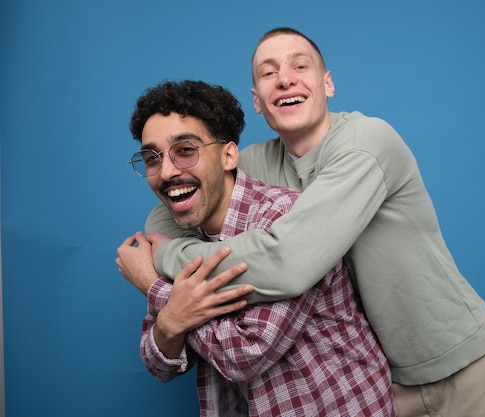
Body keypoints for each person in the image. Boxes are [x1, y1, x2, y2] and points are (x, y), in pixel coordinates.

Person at [141, 28, 485, 416]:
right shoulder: (255, 162)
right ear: (257, 101)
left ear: (328, 83)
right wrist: (167, 250)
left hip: (463, 366)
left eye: (300, 66)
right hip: (387, 379)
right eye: (268, 72)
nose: (285, 78)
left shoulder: (366, 142)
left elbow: (289, 264)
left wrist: (162, 265)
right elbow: (171, 206)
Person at [116, 80, 397, 417]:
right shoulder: (174, 238)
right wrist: (171, 318)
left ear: (229, 155)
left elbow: (245, 355)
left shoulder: (283, 218)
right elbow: (160, 364)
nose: (167, 172)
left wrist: (153, 287)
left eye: (186, 151)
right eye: (151, 158)